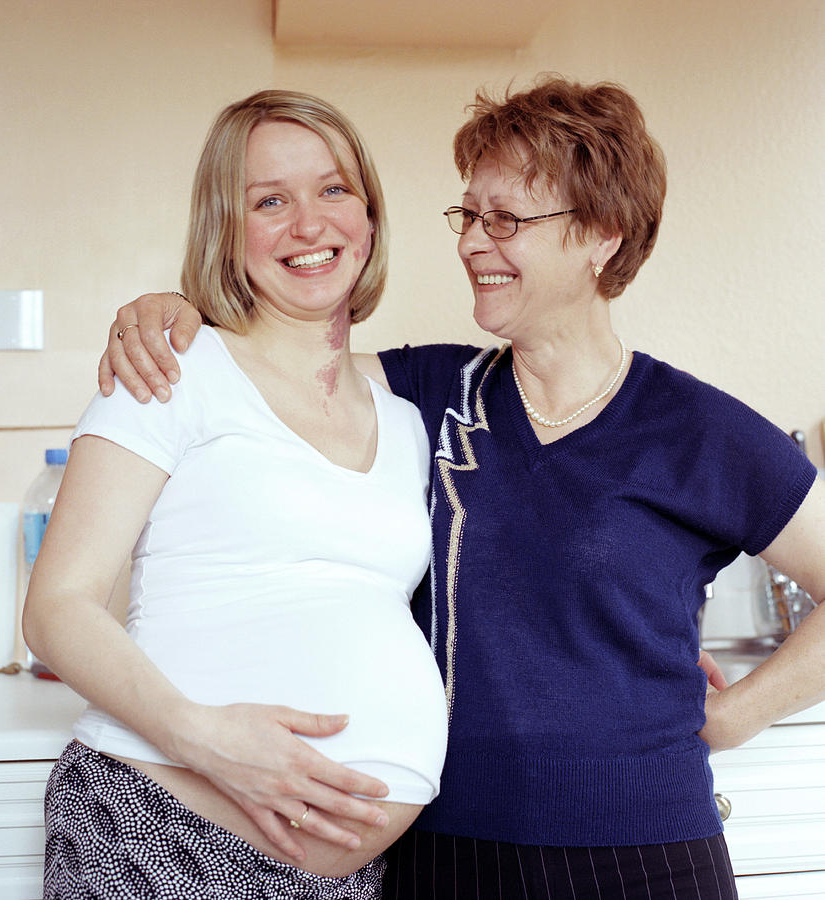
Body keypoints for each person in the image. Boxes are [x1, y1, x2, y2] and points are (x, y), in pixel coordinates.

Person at [99, 76, 825, 899]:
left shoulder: (699, 429)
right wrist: (169, 312)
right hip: (443, 857)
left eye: (507, 220)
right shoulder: (430, 391)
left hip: (644, 856)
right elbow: (267, 364)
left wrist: (737, 714)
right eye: (470, 215)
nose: (475, 242)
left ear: (602, 235)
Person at [22, 90, 449, 900]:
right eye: (270, 201)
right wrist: (207, 740)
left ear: (370, 214)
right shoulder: (171, 370)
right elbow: (57, 608)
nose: (310, 225)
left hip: (346, 880)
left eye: (333, 190)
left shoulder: (403, 419)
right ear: (227, 226)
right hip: (159, 831)